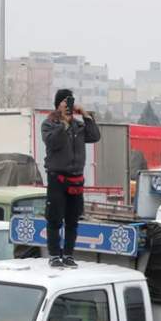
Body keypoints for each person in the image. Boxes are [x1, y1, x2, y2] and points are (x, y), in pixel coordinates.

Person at [41, 89, 101, 267]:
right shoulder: (49, 124)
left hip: (76, 179)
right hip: (57, 178)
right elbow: (53, 142)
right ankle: (54, 255)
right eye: (65, 103)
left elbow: (94, 136)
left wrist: (86, 116)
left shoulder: (78, 125)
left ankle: (68, 254)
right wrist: (64, 125)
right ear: (58, 104)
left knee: (72, 220)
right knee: (55, 219)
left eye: (70, 103)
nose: (68, 106)